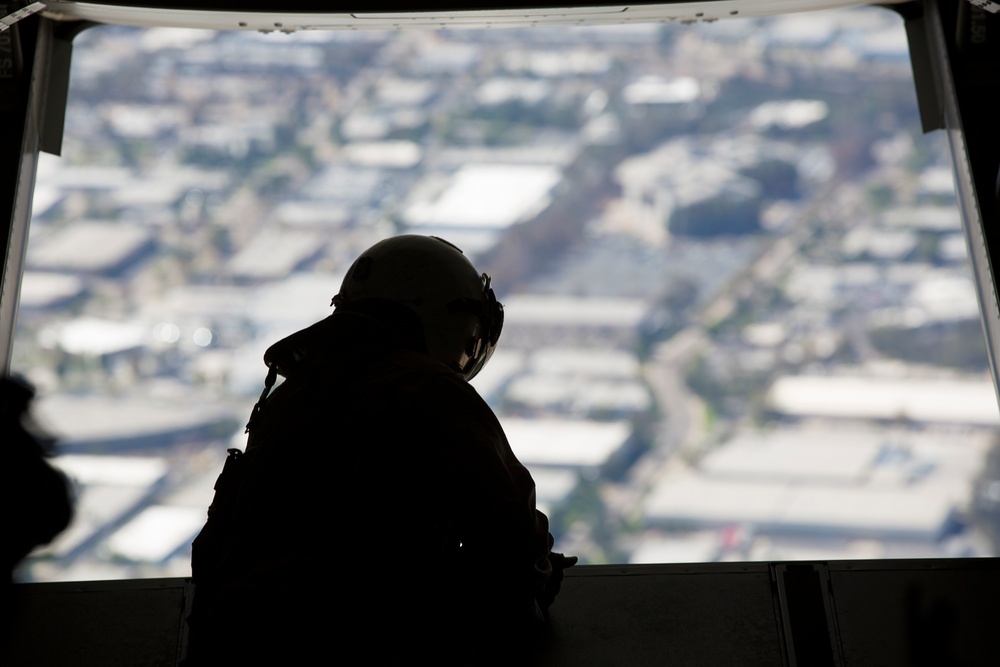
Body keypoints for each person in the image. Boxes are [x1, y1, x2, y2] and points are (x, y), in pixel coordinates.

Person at [187, 235, 575, 664]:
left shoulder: (290, 395)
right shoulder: (428, 390)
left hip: (234, 642)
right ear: (446, 317)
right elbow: (513, 545)